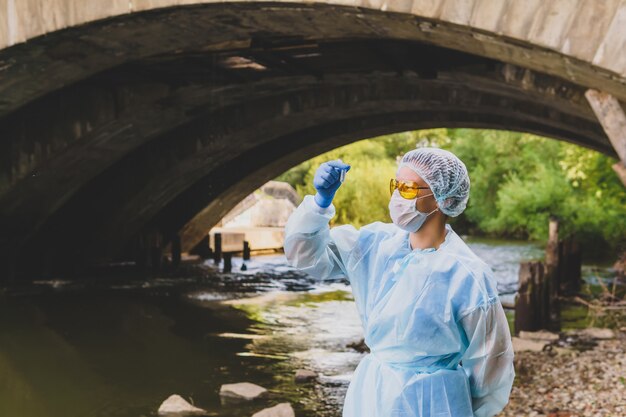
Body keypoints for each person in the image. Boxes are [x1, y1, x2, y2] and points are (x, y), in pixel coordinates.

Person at [283, 147, 515, 417]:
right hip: (373, 392)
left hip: (436, 401)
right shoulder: (375, 245)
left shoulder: (467, 274)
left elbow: (491, 365)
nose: (397, 196)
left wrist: (464, 409)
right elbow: (304, 254)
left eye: (409, 188)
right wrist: (320, 203)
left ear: (442, 198)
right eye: (396, 185)